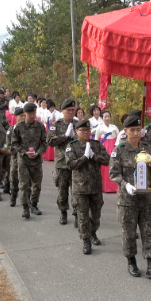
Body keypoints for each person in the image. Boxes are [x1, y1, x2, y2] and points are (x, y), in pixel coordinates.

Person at [109, 111, 151, 281]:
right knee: (129, 233)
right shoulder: (119, 151)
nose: (135, 133)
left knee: (149, 232)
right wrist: (126, 185)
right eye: (131, 130)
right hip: (128, 200)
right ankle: (131, 262)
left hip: (146, 199)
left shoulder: (147, 148)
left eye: (137, 129)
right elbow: (114, 173)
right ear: (125, 131)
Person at [65, 119, 110, 254]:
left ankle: (93, 232)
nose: (86, 132)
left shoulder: (96, 145)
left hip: (95, 186)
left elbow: (108, 160)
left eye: (88, 130)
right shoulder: (71, 146)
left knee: (96, 214)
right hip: (80, 188)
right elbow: (71, 164)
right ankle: (86, 240)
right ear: (77, 132)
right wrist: (85, 157)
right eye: (82, 130)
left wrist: (94, 156)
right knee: (82, 215)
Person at [11, 102, 47, 219]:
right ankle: (25, 207)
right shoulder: (19, 127)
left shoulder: (40, 126)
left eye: (34, 113)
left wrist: (39, 152)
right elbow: (14, 144)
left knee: (37, 184)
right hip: (24, 161)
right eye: (30, 113)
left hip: (36, 160)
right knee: (24, 184)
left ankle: (34, 204)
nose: (32, 115)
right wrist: (24, 152)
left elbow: (45, 143)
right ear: (25, 113)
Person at [47, 99, 78, 226]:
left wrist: (76, 136)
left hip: (76, 162)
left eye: (73, 110)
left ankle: (77, 214)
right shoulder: (56, 124)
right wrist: (64, 136)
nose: (71, 112)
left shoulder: (79, 123)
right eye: (68, 110)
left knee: (76, 190)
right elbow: (50, 141)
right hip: (62, 162)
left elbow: (86, 139)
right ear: (63, 111)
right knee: (62, 190)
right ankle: (63, 211)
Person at [95, 110, 119, 193]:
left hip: (113, 148)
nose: (107, 118)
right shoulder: (99, 128)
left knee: (113, 166)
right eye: (105, 116)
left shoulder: (114, 127)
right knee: (104, 168)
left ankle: (114, 187)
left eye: (108, 116)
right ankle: (104, 187)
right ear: (102, 118)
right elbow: (96, 140)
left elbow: (118, 139)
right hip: (103, 149)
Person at [7, 107, 25, 207]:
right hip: (16, 158)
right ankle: (13, 195)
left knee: (27, 181)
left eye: (24, 115)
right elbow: (8, 146)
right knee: (14, 178)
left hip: (26, 160)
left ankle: (28, 200)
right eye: (21, 116)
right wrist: (19, 150)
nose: (23, 117)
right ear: (16, 117)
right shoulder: (11, 130)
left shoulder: (29, 129)